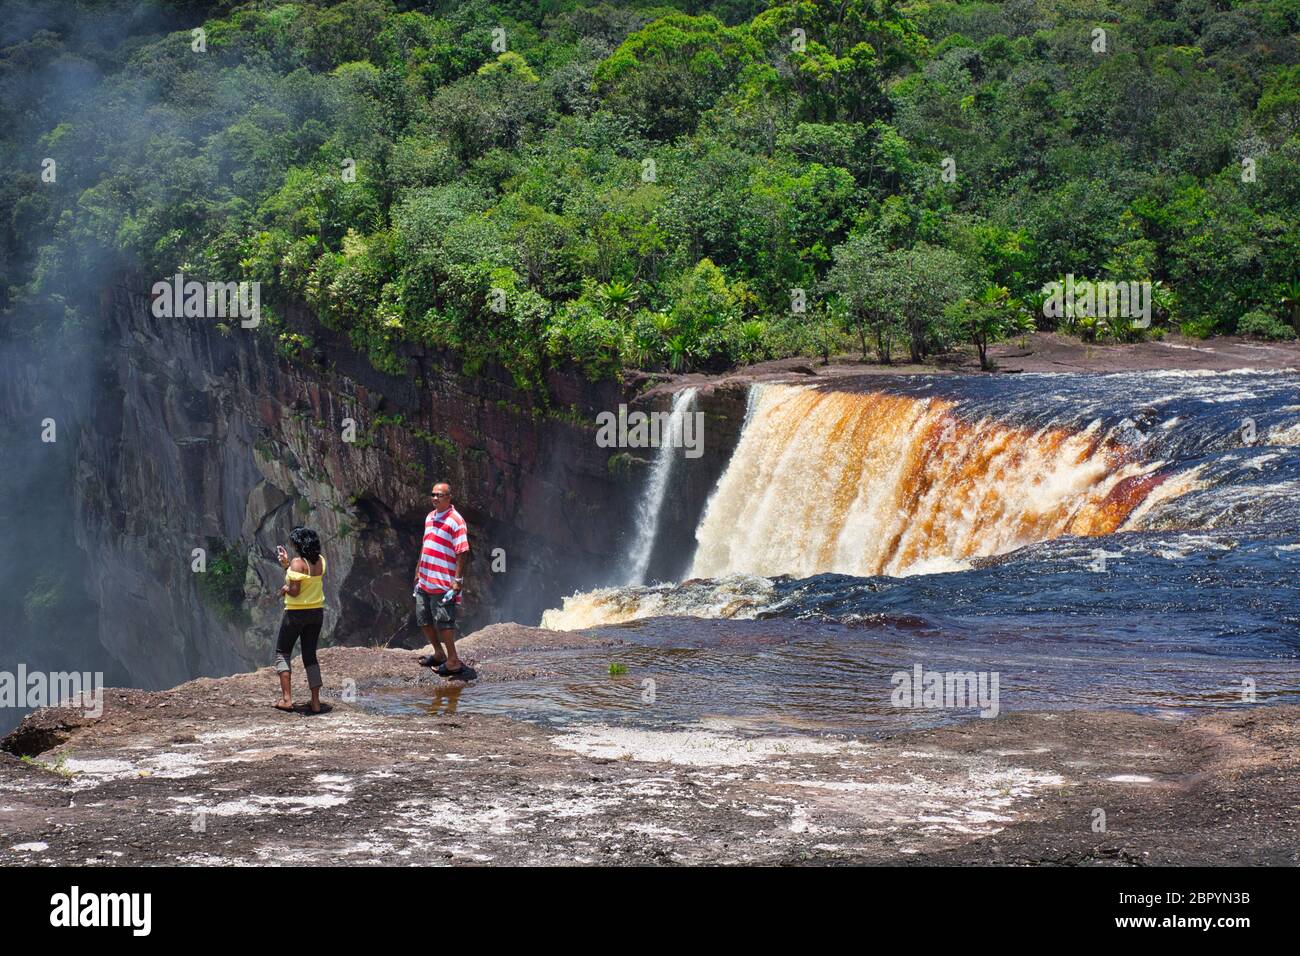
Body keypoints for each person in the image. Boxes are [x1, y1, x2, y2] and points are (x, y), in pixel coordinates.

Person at [413, 482, 470, 677]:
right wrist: (418, 569)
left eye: (440, 495)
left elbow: (462, 550)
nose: (435, 498)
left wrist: (458, 579)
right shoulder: (430, 516)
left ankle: (453, 660)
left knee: (444, 622)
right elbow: (425, 543)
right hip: (425, 579)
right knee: (423, 617)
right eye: (433, 494)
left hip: (443, 582)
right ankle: (439, 653)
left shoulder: (456, 520)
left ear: (449, 497)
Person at [273, 526, 326, 713]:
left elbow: (295, 591)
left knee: (282, 652)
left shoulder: (297, 563)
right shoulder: (320, 561)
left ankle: (287, 699)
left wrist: (285, 589)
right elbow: (305, 577)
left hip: (296, 614)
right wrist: (287, 565)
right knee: (310, 655)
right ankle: (316, 702)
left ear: (300, 544)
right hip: (316, 612)